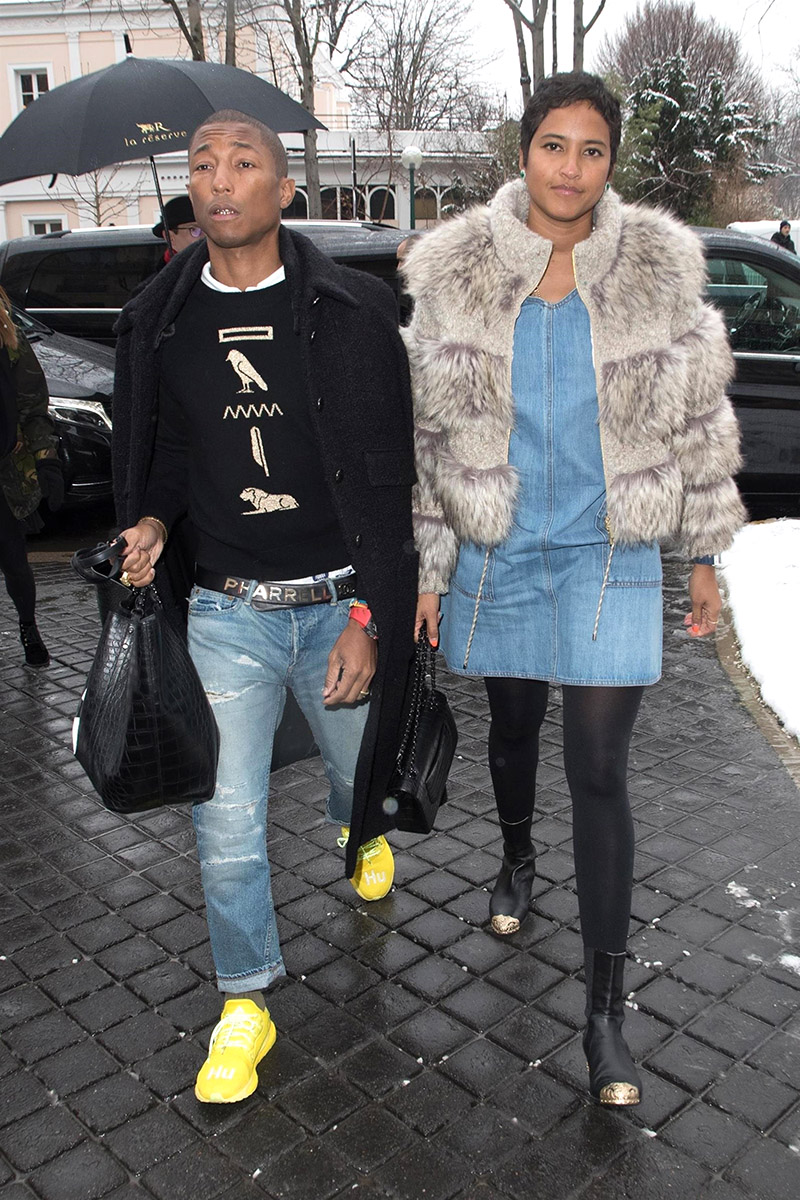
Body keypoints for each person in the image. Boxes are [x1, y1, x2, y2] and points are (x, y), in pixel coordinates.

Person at [403, 72, 745, 1107]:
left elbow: (696, 423)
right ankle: (513, 858)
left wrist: (700, 552)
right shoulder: (456, 270)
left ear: (611, 162)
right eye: (553, 145)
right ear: (523, 152)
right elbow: (422, 439)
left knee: (596, 767)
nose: (569, 168)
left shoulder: (656, 269)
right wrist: (427, 565)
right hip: (498, 548)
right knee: (512, 729)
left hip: (608, 550)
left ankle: (603, 1016)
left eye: (590, 150)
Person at [113, 110, 417, 1104]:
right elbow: (166, 451)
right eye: (204, 164)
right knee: (225, 813)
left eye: (244, 162)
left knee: (351, 775)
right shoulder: (161, 321)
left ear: (286, 190)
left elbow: (388, 478)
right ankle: (244, 996)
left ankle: (356, 825)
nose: (220, 178)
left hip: (337, 605)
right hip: (226, 611)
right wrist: (153, 521)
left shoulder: (348, 313)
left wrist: (372, 617)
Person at [0, 285, 63, 666]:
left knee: (14, 561)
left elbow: (33, 407)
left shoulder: (9, 338)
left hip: (4, 473)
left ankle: (28, 626)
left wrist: (47, 460)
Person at [152, 194, 205, 263]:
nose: (205, 237)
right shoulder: (164, 273)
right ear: (170, 237)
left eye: (207, 229)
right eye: (194, 230)